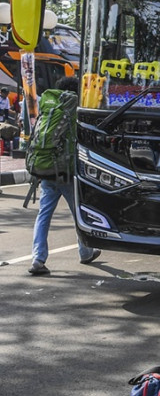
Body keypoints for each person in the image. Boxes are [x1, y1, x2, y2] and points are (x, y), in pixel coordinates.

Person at [28, 76, 100, 274]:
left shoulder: (49, 105)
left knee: (43, 215)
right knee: (78, 213)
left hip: (46, 170)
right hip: (66, 172)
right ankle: (85, 252)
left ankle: (38, 258)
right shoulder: (72, 108)